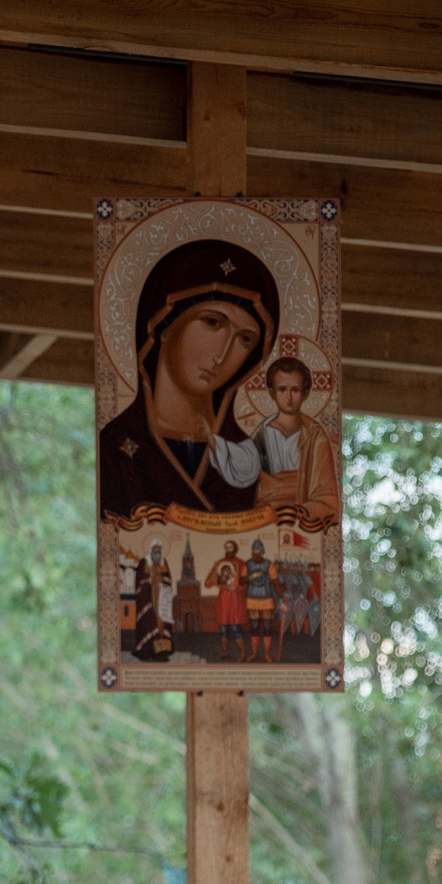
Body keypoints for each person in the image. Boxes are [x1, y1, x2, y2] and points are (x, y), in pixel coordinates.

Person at [99, 238, 280, 523]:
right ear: (165, 324)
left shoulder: (249, 459)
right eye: (212, 322)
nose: (221, 355)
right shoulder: (116, 446)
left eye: (245, 340)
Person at [249, 356, 341, 527]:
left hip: (303, 518)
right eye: (282, 389)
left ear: (305, 393)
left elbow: (327, 496)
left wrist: (302, 511)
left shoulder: (316, 436)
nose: (288, 397)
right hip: (265, 519)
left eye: (295, 390)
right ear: (272, 392)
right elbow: (248, 489)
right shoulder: (260, 435)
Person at [209, 539, 247, 661]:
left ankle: (242, 653)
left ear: (235, 549)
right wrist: (214, 577)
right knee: (223, 628)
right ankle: (225, 651)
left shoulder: (241, 564)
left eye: (230, 547)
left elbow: (246, 584)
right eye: (226, 548)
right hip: (224, 601)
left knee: (236, 628)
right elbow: (208, 583)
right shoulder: (220, 563)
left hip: (236, 600)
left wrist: (237, 588)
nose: (228, 550)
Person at [244, 538, 278, 662]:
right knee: (254, 627)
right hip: (252, 599)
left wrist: (281, 597)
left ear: (262, 551)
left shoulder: (269, 564)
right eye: (253, 550)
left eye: (257, 550)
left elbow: (275, 582)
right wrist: (250, 576)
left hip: (266, 599)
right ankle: (254, 653)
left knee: (267, 628)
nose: (255, 553)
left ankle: (267, 654)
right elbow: (242, 580)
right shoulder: (248, 564)